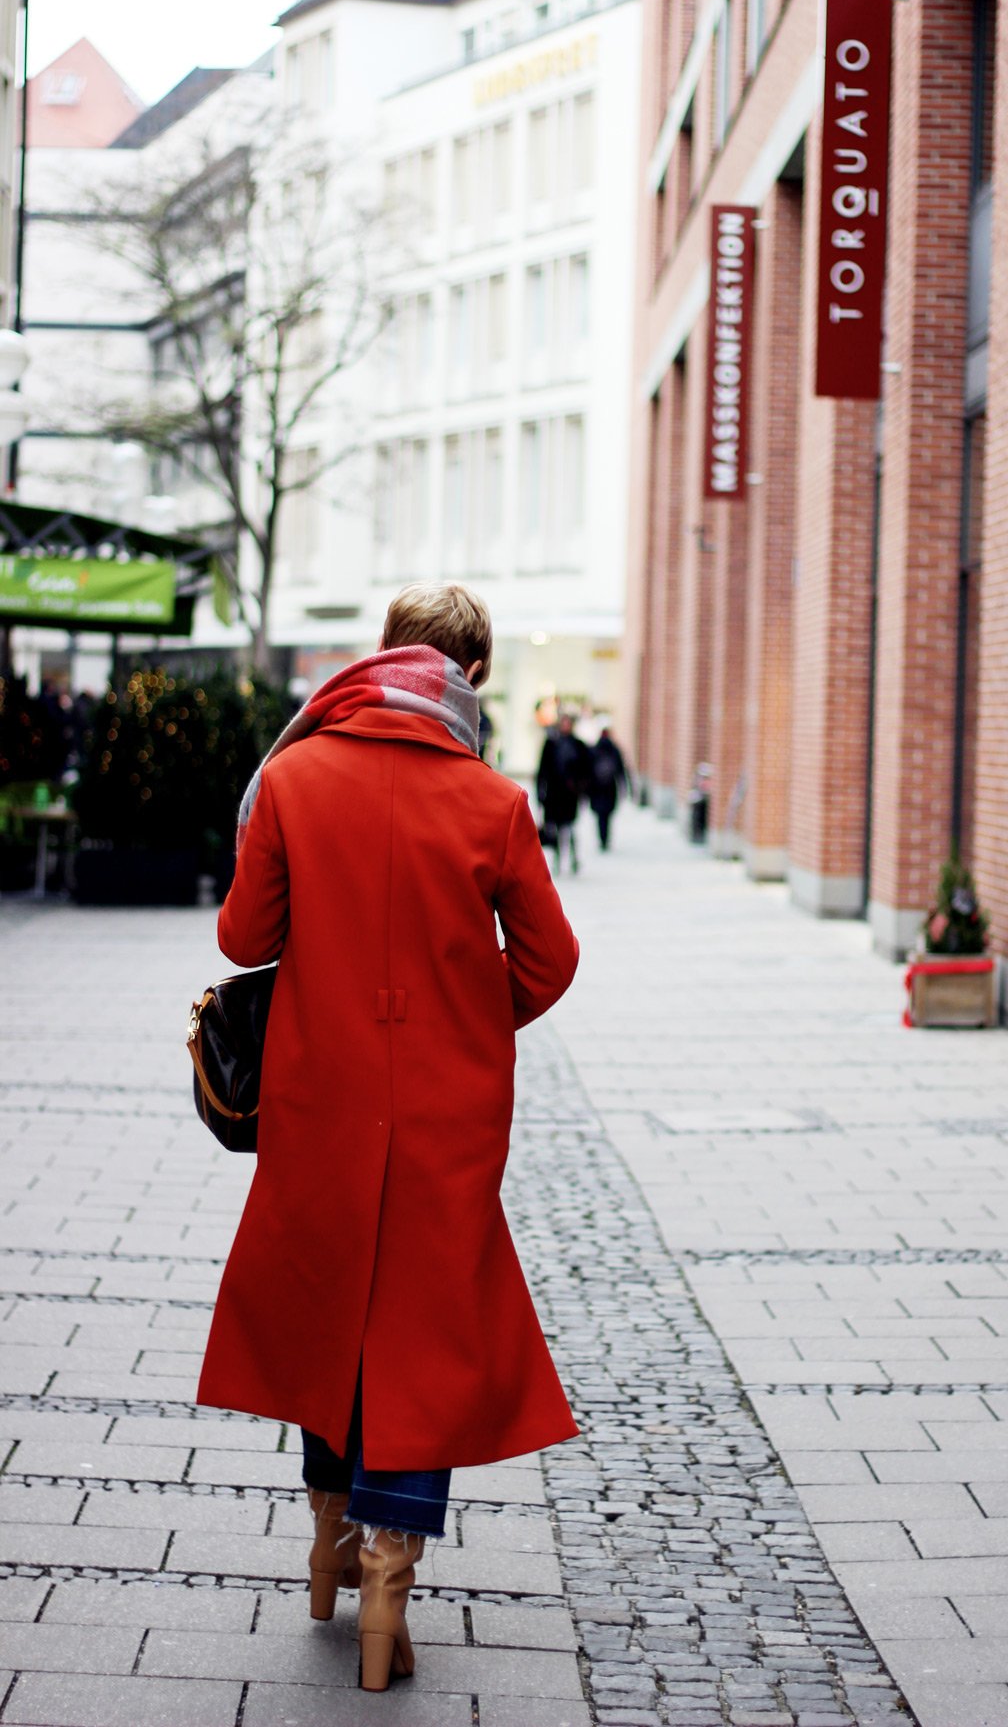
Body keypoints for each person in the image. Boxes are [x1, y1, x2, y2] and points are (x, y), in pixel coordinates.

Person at [197, 583, 580, 1693]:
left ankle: (327, 1540)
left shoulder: (296, 773)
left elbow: (243, 935)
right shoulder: (493, 801)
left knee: (331, 1312)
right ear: (476, 678)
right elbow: (549, 963)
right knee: (421, 1333)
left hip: (318, 1102)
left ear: (381, 657)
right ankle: (387, 1573)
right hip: (446, 1114)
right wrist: (465, 1014)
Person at [536, 712, 592, 876]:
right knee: (555, 829)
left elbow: (586, 770)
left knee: (570, 827)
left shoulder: (578, 745)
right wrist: (540, 792)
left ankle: (574, 859)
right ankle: (557, 861)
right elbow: (542, 770)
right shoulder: (551, 744)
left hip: (570, 794)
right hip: (553, 794)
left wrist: (581, 789)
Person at [588, 726, 628, 851]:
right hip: (610, 788)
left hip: (597, 788)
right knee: (607, 816)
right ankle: (605, 839)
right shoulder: (614, 749)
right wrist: (624, 787)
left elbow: (587, 770)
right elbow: (621, 770)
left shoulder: (594, 749)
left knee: (601, 816)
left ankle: (602, 838)